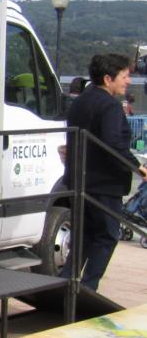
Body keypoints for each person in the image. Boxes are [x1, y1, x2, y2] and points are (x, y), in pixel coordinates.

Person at [61, 53, 147, 291]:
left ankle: (65, 285)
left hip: (79, 180)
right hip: (104, 183)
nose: (128, 81)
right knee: (107, 235)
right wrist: (138, 167)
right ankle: (88, 288)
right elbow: (113, 143)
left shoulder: (81, 100)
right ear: (108, 78)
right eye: (124, 76)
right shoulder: (109, 105)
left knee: (84, 235)